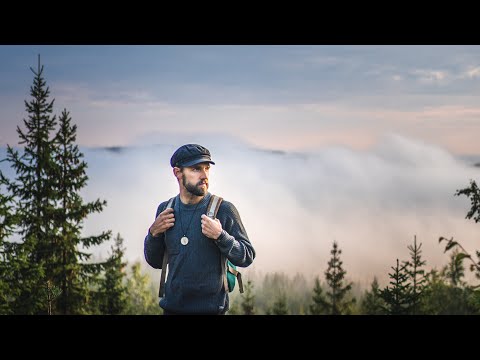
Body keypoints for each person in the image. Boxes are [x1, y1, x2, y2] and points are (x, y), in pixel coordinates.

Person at [144, 144, 255, 315]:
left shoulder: (223, 209)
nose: (204, 175)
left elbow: (247, 256)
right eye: (196, 169)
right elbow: (155, 262)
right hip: (172, 310)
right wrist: (153, 233)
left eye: (207, 168)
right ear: (177, 173)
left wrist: (220, 235)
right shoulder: (165, 210)